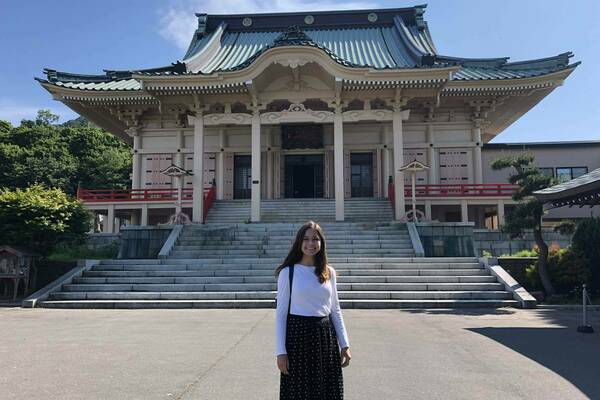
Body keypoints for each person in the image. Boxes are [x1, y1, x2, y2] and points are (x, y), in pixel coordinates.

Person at [275, 220, 351, 400]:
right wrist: (281, 352)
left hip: (325, 337)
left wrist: (345, 344)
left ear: (321, 243)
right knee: (299, 392)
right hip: (297, 338)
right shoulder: (288, 273)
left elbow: (335, 310)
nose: (310, 244)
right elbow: (280, 315)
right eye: (306, 239)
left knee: (327, 392)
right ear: (299, 242)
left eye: (315, 239)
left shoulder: (328, 272)